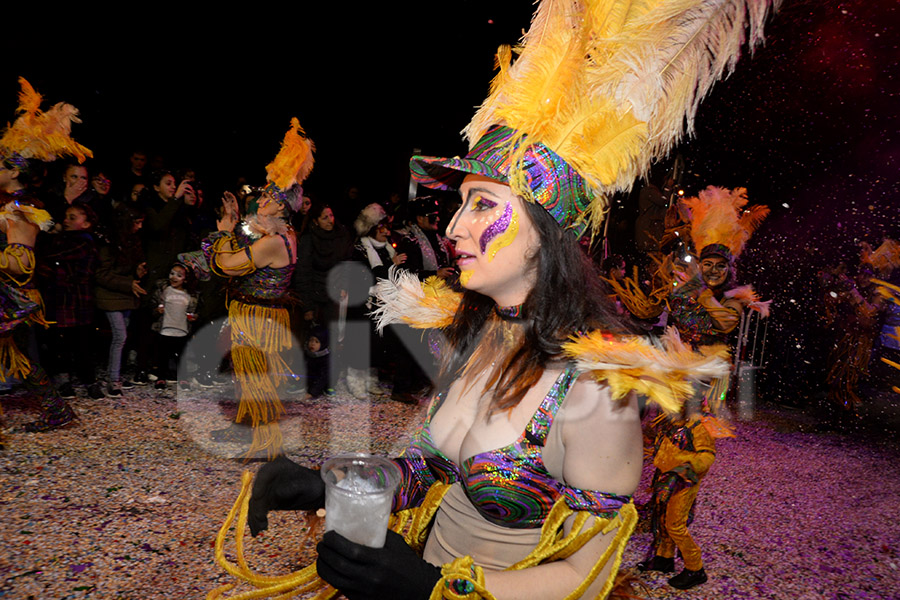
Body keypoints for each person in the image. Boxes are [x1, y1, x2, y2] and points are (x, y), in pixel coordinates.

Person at [214, 1, 774, 597]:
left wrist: (437, 591)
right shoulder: (476, 335)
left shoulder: (596, 387)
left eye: (482, 203)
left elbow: (588, 573)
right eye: (461, 203)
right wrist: (324, 484)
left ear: (548, 231)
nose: (454, 227)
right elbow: (429, 468)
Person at [204, 118, 312, 460]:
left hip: (259, 317)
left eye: (267, 196)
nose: (261, 198)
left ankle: (266, 447)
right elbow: (242, 248)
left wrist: (222, 231)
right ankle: (242, 424)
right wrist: (236, 221)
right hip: (255, 312)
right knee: (246, 375)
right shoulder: (273, 234)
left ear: (281, 206)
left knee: (257, 380)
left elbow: (228, 264)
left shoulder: (276, 241)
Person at [0, 78, 90, 436]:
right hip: (11, 297)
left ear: (15, 171)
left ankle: (57, 410)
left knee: (22, 358)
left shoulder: (22, 210)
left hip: (15, 297)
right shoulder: (8, 205)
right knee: (21, 359)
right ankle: (58, 409)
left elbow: (22, 261)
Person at [37, 203, 100, 399]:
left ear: (86, 223)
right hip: (59, 299)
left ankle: (89, 380)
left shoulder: (84, 241)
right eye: (66, 217)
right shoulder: (62, 240)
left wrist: (51, 240)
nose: (66, 221)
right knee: (60, 343)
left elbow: (55, 255)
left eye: (73, 218)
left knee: (82, 343)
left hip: (77, 300)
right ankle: (64, 381)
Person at [93, 205, 147, 397]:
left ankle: (115, 375)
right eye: (137, 222)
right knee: (120, 336)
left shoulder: (131, 242)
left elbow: (125, 269)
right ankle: (113, 379)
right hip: (111, 296)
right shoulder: (109, 244)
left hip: (125, 296)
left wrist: (137, 272)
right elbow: (102, 274)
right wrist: (128, 283)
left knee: (122, 337)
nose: (140, 227)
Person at [149, 262, 199, 390]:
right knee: (163, 355)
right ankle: (161, 378)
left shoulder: (190, 295)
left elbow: (192, 311)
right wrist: (157, 310)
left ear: (186, 279)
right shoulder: (165, 290)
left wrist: (193, 317)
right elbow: (154, 305)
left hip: (181, 329)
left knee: (181, 356)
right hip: (165, 328)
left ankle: (183, 378)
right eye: (172, 274)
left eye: (179, 275)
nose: (174, 277)